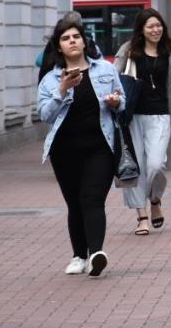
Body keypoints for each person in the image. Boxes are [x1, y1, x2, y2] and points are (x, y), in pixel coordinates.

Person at [36, 15, 125, 277]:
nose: (72, 41)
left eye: (76, 37)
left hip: (100, 147)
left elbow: (123, 101)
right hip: (64, 151)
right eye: (66, 38)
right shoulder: (51, 79)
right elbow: (45, 115)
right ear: (59, 46)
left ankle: (96, 253)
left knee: (93, 199)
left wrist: (115, 102)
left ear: (84, 42)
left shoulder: (106, 70)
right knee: (74, 203)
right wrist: (62, 89)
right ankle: (78, 255)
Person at [114, 9, 171, 235]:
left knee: (156, 164)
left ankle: (155, 198)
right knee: (134, 167)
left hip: (160, 116)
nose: (155, 30)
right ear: (141, 29)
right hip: (132, 117)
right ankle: (142, 216)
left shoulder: (170, 53)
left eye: (158, 25)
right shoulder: (128, 51)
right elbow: (113, 78)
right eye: (150, 26)